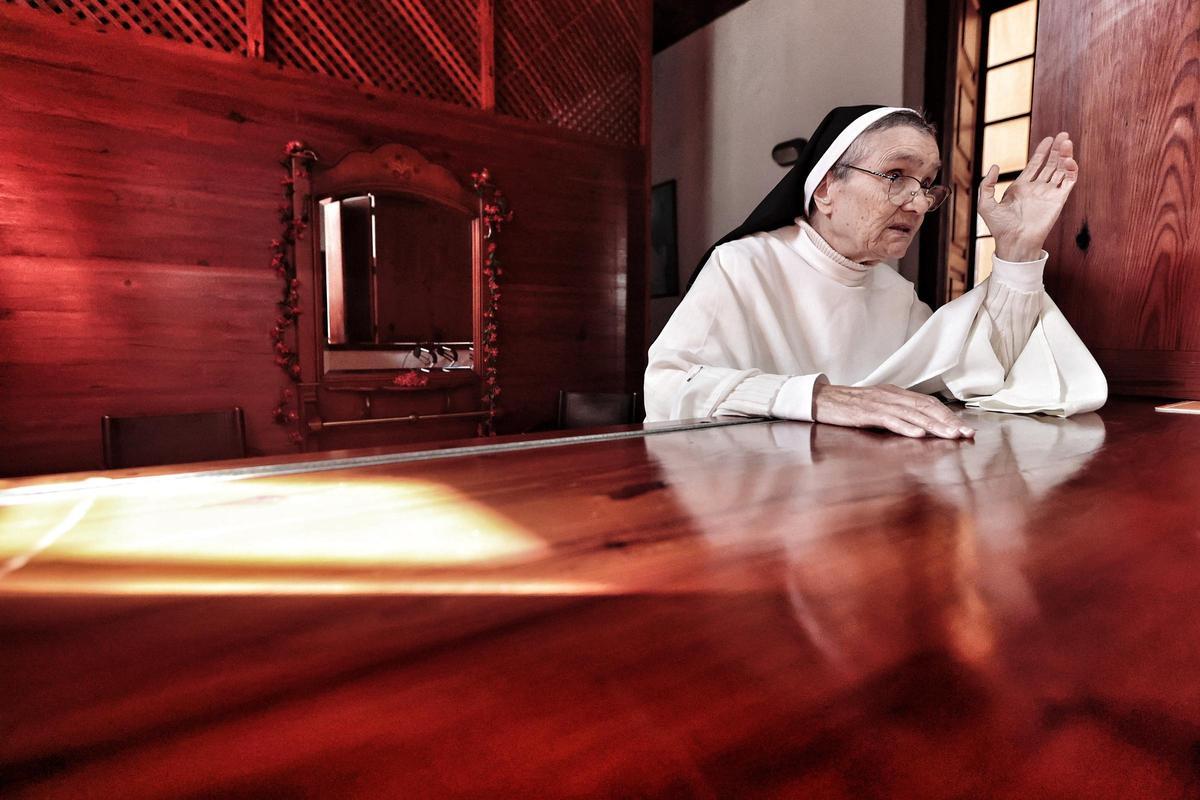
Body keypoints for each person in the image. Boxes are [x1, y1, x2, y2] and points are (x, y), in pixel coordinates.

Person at [644, 105, 1107, 438]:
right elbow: (666, 389)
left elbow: (979, 372)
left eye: (927, 184)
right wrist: (818, 398)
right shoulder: (744, 265)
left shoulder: (895, 292)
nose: (919, 202)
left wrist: (1017, 248)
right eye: (896, 176)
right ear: (826, 188)